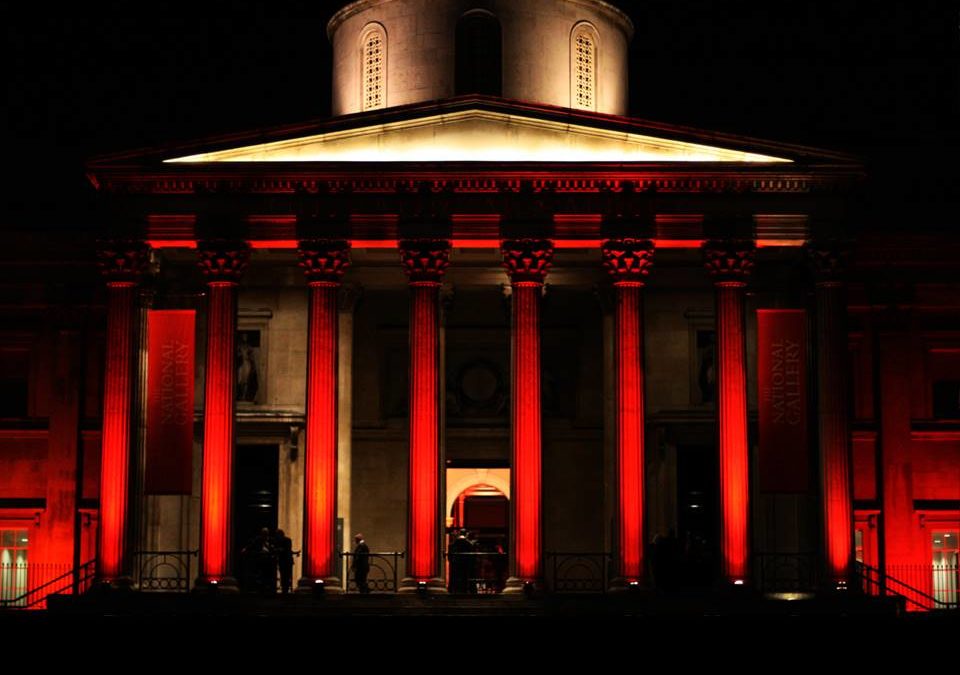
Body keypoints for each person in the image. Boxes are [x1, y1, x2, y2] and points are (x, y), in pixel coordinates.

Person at [274, 529, 294, 594]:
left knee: (287, 575)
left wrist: (280, 550)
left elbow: (288, 549)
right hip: (282, 561)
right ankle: (284, 589)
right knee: (283, 575)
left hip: (287, 560)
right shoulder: (278, 541)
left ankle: (286, 589)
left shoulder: (287, 540)